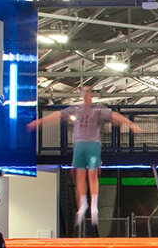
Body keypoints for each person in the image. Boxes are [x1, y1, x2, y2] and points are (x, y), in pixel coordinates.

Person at [26, 88, 139, 235]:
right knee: (80, 174)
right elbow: (58, 115)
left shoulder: (98, 109)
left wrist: (129, 123)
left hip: (92, 145)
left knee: (92, 173)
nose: (86, 95)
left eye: (88, 93)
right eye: (83, 93)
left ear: (91, 95)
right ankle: (83, 202)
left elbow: (113, 114)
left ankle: (93, 203)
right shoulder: (76, 109)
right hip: (79, 144)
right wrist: (40, 122)